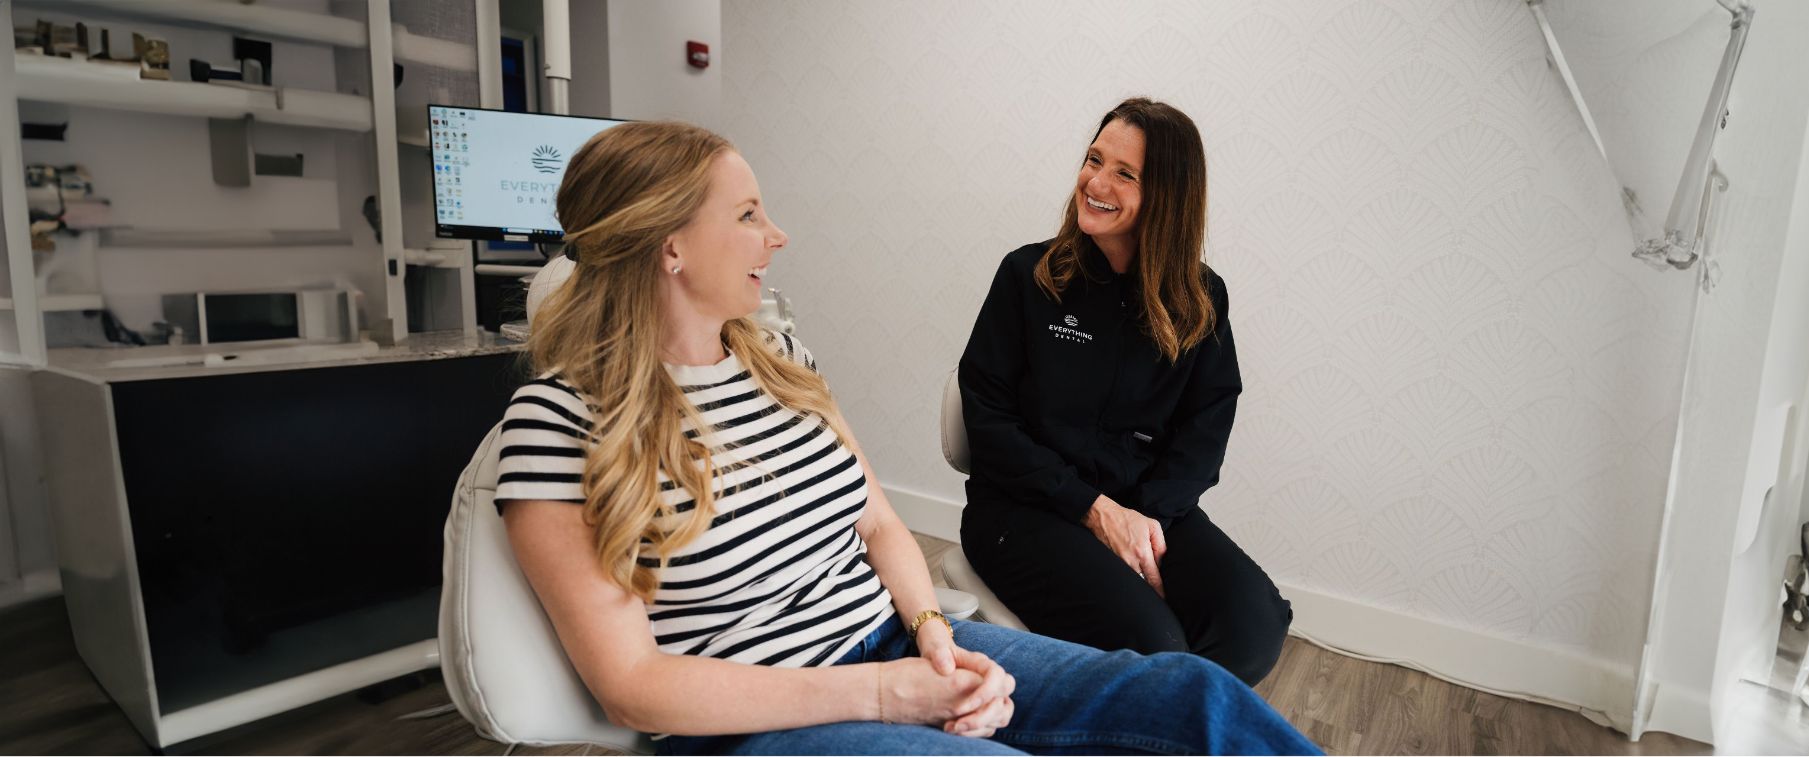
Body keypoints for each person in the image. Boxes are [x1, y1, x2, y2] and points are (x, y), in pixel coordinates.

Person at [495, 120, 1319, 754]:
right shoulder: (556, 425)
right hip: (758, 719)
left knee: (1188, 695)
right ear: (668, 245)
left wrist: (929, 633)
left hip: (894, 640)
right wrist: (887, 695)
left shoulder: (778, 359)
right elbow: (633, 687)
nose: (776, 235)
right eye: (748, 214)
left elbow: (881, 522)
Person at [958, 98, 1292, 686]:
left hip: (1148, 510)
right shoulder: (1028, 277)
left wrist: (1142, 521)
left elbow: (1204, 431)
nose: (1096, 181)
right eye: (1094, 159)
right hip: (1025, 510)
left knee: (1253, 623)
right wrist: (1095, 511)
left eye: (1124, 173)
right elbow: (987, 421)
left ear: (1167, 196)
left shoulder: (1201, 300)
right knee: (1154, 643)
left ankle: (1163, 728)